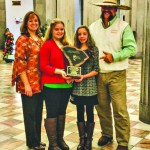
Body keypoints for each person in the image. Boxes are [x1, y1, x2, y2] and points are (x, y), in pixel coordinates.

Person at [89, 0, 137, 150]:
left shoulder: (123, 26)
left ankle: (123, 141)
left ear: (116, 10)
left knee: (120, 109)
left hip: (117, 74)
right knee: (101, 108)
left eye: (110, 7)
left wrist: (114, 56)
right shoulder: (93, 26)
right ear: (101, 8)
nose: (107, 9)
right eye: (105, 7)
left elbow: (131, 49)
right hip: (98, 74)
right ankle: (107, 134)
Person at [12, 11, 46, 150]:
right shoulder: (22, 39)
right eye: (31, 21)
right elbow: (20, 62)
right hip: (28, 82)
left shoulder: (39, 38)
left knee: (38, 112)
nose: (34, 23)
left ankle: (37, 139)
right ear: (26, 23)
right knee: (30, 114)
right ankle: (32, 143)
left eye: (36, 21)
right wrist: (26, 84)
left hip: (39, 81)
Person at [40, 18, 72, 150]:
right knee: (52, 113)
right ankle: (52, 144)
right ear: (51, 31)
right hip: (51, 85)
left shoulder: (67, 45)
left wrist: (71, 75)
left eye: (61, 29)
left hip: (66, 85)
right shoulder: (47, 44)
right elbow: (43, 66)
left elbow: (71, 65)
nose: (59, 31)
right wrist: (58, 71)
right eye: (56, 29)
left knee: (61, 112)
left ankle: (60, 140)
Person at [70, 25, 99, 150]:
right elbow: (72, 68)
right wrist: (73, 76)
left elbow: (97, 70)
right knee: (80, 112)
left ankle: (89, 141)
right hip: (78, 86)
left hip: (90, 85)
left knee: (90, 112)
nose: (82, 36)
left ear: (88, 35)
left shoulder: (94, 49)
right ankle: (82, 140)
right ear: (77, 36)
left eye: (84, 34)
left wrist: (84, 76)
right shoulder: (74, 50)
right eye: (79, 34)